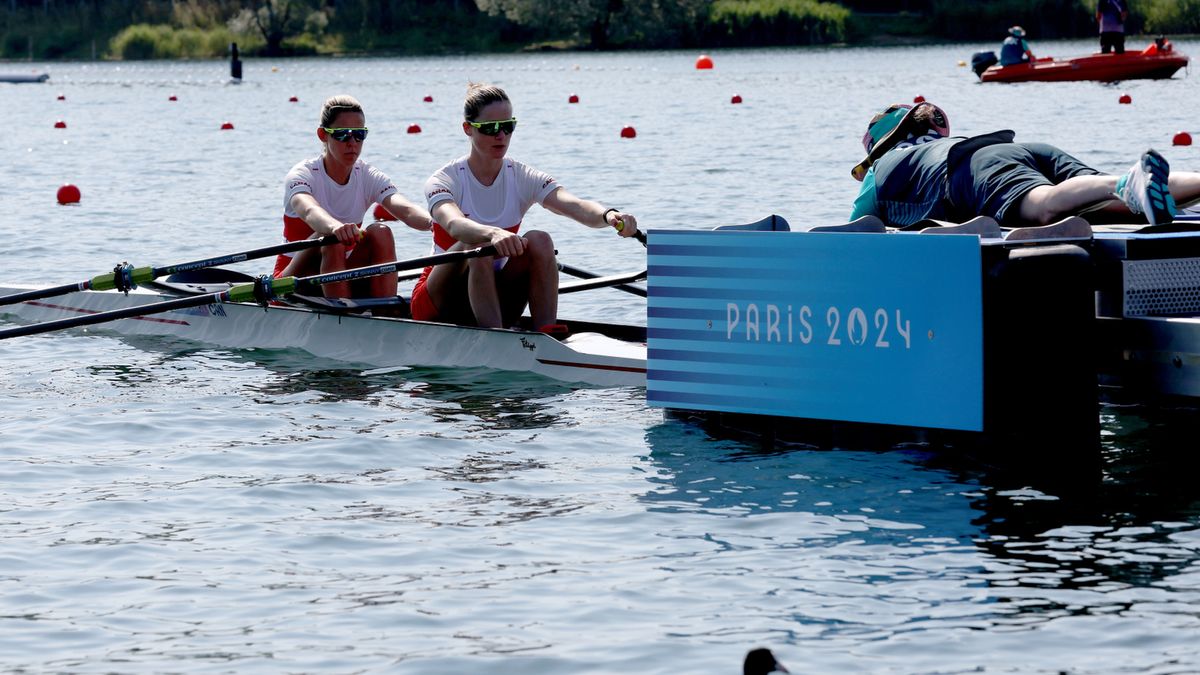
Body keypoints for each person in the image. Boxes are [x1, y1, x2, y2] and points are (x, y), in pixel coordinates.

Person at [414, 83, 640, 331]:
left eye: (508, 126)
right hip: (438, 301)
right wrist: (493, 233)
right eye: (490, 128)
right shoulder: (444, 180)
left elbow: (574, 205)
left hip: (494, 294)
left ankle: (546, 335)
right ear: (468, 129)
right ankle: (496, 338)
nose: (501, 135)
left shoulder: (521, 175)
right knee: (478, 243)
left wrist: (609, 215)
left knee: (539, 240)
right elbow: (454, 224)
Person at [849, 101, 1200, 229]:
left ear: (878, 147)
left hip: (970, 169)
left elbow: (856, 230)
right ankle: (1132, 184)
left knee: (1043, 207)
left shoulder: (882, 168)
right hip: (1016, 149)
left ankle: (1125, 183)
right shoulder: (938, 144)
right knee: (1111, 206)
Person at [277, 94, 432, 298]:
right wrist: (335, 227)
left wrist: (437, 223)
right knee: (330, 239)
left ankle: (385, 313)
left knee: (381, 231)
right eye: (342, 134)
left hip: (342, 271)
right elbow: (308, 209)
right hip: (293, 279)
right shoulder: (302, 175)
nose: (352, 142)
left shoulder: (367, 175)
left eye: (359, 134)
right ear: (323, 135)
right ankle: (344, 313)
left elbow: (405, 209)